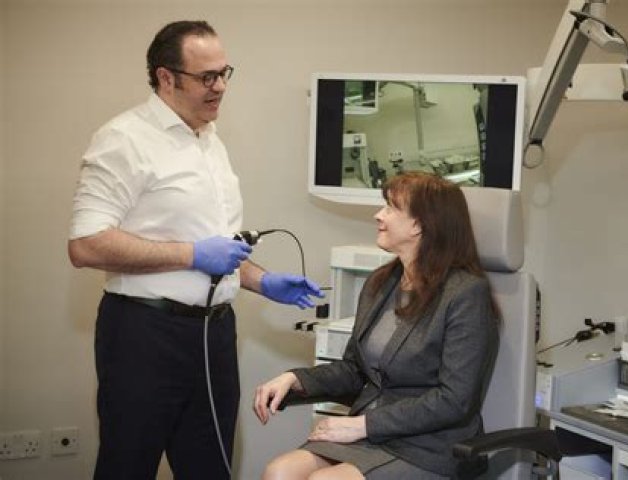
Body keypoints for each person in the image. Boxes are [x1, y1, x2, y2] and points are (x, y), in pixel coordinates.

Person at [68, 20, 322, 480]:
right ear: (166, 78)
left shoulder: (209, 140)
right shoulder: (124, 139)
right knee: (128, 466)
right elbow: (85, 244)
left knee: (210, 467)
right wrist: (191, 255)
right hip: (144, 334)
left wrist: (264, 281)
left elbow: (217, 247)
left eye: (224, 73)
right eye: (207, 77)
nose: (220, 86)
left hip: (214, 334)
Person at [254, 171, 500, 480]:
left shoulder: (465, 294)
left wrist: (362, 425)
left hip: (431, 445)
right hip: (373, 433)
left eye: (391, 207)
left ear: (420, 224)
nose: (378, 215)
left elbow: (455, 400)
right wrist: (295, 379)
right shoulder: (380, 283)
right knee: (278, 473)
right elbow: (355, 371)